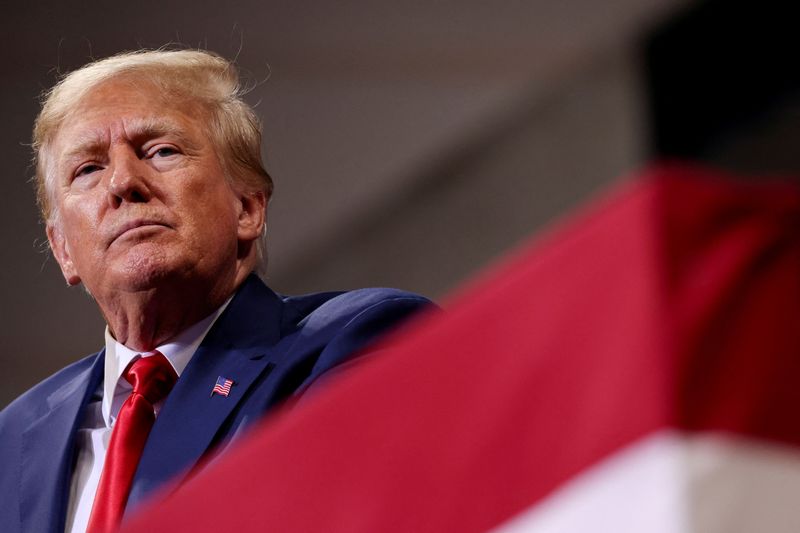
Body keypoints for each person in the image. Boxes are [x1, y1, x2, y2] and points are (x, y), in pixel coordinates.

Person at [0, 49, 431, 533]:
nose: (123, 182)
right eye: (87, 170)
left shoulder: (356, 342)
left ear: (248, 207)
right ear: (63, 251)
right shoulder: (12, 440)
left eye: (160, 151)